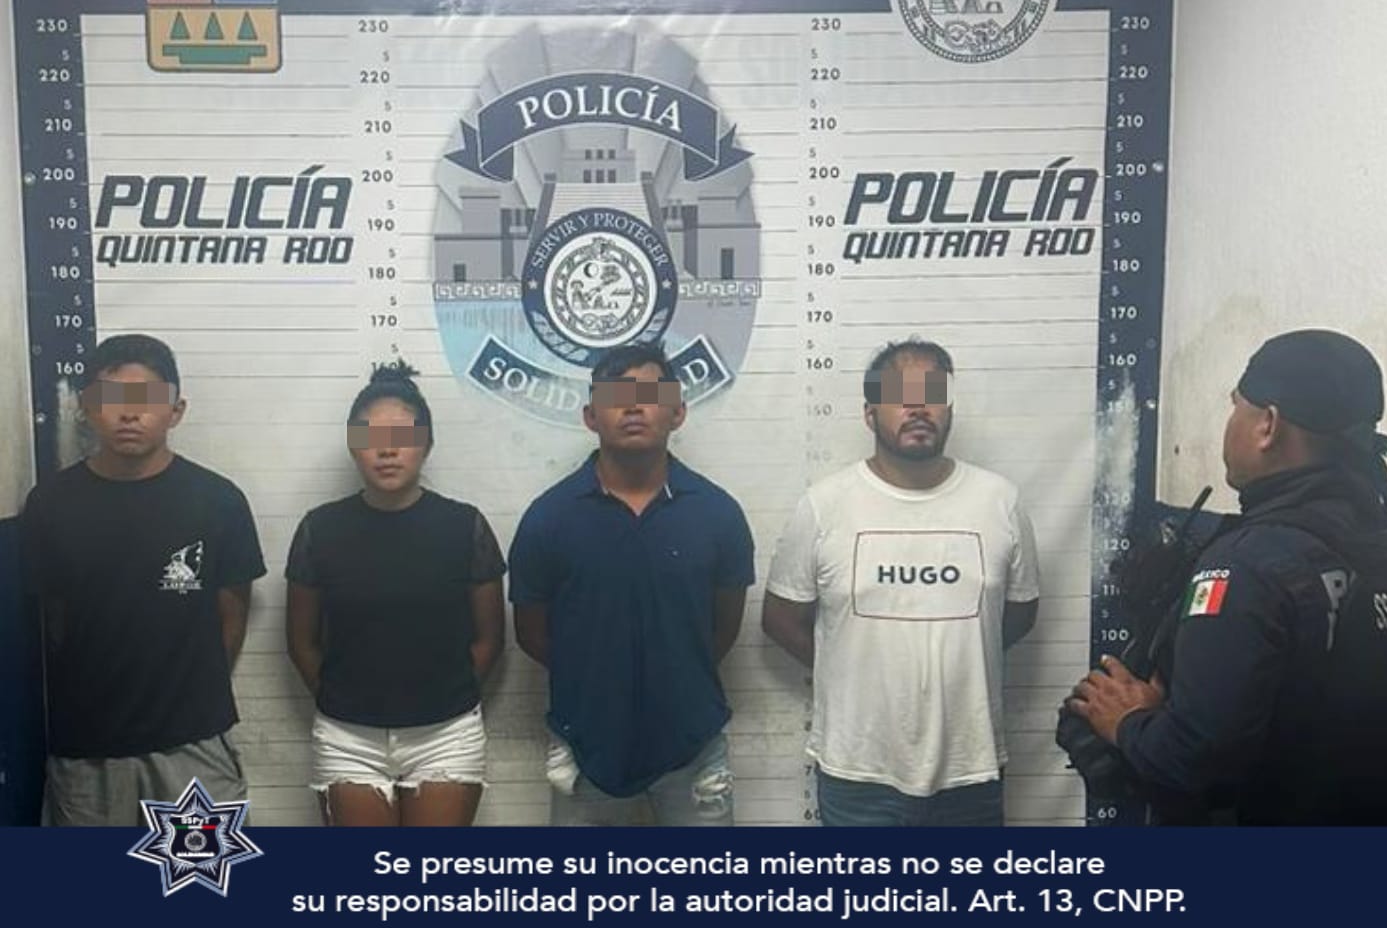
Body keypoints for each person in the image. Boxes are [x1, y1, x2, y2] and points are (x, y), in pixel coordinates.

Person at [1068, 329, 1387, 824]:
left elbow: (1192, 760)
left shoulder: (1248, 567)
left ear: (1267, 425)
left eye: (1236, 406)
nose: (1230, 422)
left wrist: (1127, 720)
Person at [763, 339, 1040, 826]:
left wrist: (956, 656)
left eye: (932, 393)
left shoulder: (999, 502)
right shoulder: (825, 505)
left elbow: (1017, 613)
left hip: (970, 768)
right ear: (869, 413)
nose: (918, 407)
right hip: (858, 772)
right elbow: (780, 618)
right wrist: (850, 666)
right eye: (899, 395)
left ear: (949, 409)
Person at [21, 334, 264, 825]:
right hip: (86, 747)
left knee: (202, 875)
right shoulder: (50, 505)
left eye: (147, 399)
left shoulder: (219, 501)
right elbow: (51, 622)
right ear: (87, 406)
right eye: (112, 398)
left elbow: (231, 615)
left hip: (193, 743)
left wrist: (184, 698)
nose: (129, 414)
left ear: (176, 410)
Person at [509, 343, 755, 826]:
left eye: (650, 395)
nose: (634, 406)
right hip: (587, 745)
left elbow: (721, 630)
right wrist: (600, 678)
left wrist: (670, 673)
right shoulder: (548, 519)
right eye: (617, 396)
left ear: (677, 412)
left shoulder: (718, 515)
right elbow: (532, 634)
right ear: (590, 416)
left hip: (692, 743)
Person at [286, 362, 506, 826]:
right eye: (370, 436)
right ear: (353, 445)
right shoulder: (319, 529)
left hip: (446, 734)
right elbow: (301, 642)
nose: (387, 450)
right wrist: (342, 698)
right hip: (347, 737)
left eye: (403, 436)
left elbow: (489, 639)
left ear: (427, 444)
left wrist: (447, 697)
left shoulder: (464, 526)